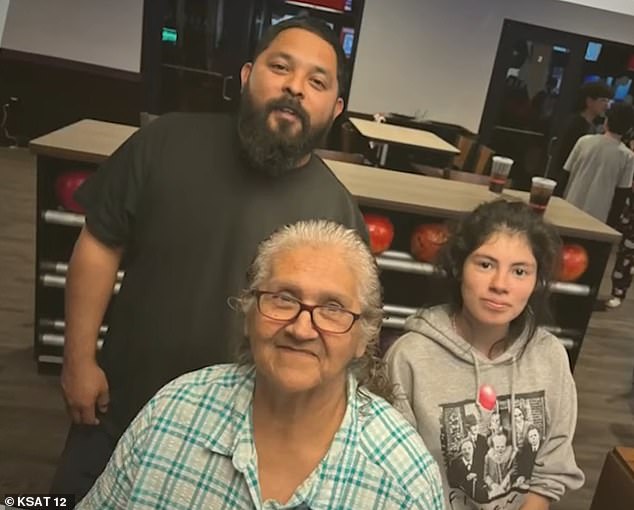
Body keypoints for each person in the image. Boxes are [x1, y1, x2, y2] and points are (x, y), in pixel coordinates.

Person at [52, 17, 369, 501]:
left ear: (336, 107)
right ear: (246, 75)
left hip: (240, 444)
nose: (295, 88)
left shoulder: (338, 213)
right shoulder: (165, 142)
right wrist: (78, 359)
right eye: (280, 67)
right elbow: (99, 243)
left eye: (317, 82)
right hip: (118, 404)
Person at [76, 220, 444, 509]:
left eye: (332, 308)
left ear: (364, 337)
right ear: (248, 312)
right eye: (283, 298)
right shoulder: (173, 411)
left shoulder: (404, 479)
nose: (302, 329)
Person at [385, 200, 584, 509]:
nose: (500, 285)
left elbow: (549, 472)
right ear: (459, 267)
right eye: (485, 264)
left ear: (536, 282)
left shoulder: (551, 357)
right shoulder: (409, 356)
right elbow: (394, 476)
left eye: (520, 271)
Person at [562, 102, 634, 224]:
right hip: (598, 219)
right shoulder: (627, 156)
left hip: (568, 207)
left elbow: (565, 175)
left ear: (606, 121)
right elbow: (620, 197)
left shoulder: (584, 141)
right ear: (629, 128)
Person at [552, 82, 612, 196]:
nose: (606, 105)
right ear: (589, 101)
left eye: (608, 101)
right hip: (566, 178)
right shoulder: (576, 124)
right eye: (603, 100)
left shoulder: (593, 125)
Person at [606, 129, 634, 308]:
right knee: (623, 253)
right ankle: (617, 291)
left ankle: (619, 291)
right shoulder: (627, 157)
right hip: (624, 211)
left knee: (627, 255)